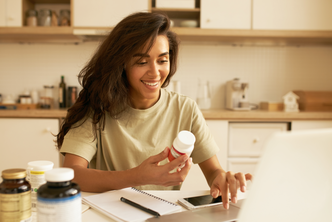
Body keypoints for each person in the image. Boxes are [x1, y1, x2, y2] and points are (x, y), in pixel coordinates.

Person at [56, 12, 252, 210]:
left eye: (162, 60)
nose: (155, 72)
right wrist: (136, 176)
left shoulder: (185, 109)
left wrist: (224, 179)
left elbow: (214, 172)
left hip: (163, 213)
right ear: (121, 63)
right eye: (142, 62)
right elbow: (72, 174)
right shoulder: (96, 107)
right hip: (110, 214)